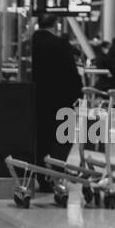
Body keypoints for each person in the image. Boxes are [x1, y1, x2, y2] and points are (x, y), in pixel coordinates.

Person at [30, 13, 83, 177]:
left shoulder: (31, 42)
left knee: (42, 137)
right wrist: (78, 94)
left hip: (38, 97)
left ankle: (41, 173)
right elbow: (72, 74)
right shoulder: (60, 44)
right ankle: (56, 171)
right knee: (63, 136)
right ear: (56, 24)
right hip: (61, 99)